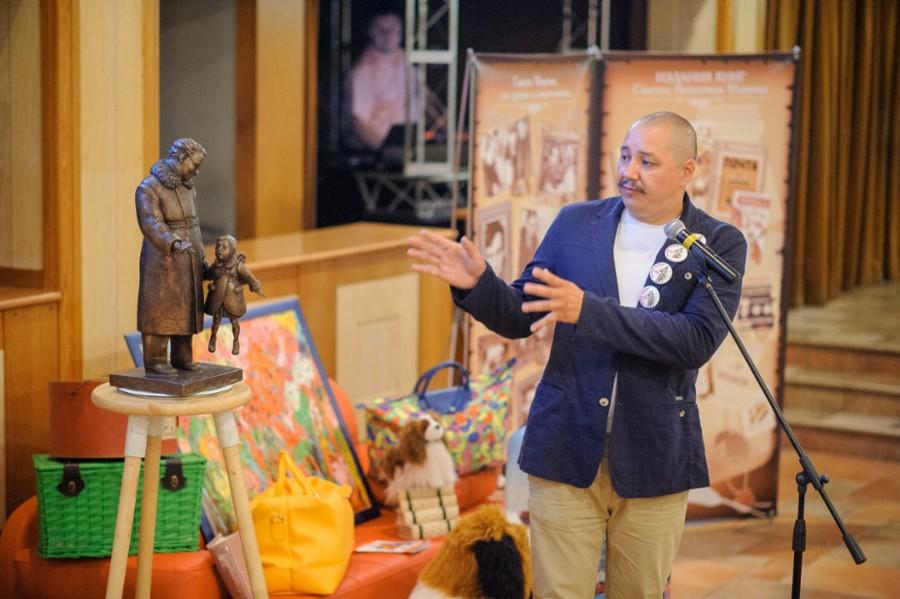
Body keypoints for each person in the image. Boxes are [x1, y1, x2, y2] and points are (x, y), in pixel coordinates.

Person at [408, 111, 747, 598]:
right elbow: (520, 314)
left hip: (654, 455)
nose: (629, 171)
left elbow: (694, 341)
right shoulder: (576, 223)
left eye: (647, 162)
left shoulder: (717, 244)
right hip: (565, 445)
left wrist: (588, 310)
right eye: (625, 157)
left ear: (687, 171)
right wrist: (479, 284)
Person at [136, 138, 208, 376]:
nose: (196, 171)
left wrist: (201, 254)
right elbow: (151, 224)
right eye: (194, 165)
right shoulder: (149, 188)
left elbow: (195, 225)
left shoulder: (188, 188)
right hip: (162, 260)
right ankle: (155, 359)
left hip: (189, 257)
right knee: (160, 308)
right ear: (181, 158)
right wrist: (173, 242)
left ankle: (182, 356)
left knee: (185, 308)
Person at [346, 12, 416, 150]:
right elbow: (358, 123)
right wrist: (385, 151)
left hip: (412, 148)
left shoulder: (409, 66)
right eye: (381, 29)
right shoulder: (363, 72)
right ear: (370, 32)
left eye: (393, 28)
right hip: (380, 149)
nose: (387, 34)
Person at [204, 235, 265, 355]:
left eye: (224, 247)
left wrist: (257, 288)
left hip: (232, 298)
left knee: (234, 321)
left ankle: (236, 341)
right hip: (217, 297)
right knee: (216, 321)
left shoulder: (238, 266)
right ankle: (213, 337)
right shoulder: (216, 265)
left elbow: (250, 278)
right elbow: (207, 275)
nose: (219, 249)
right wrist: (202, 269)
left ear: (232, 250)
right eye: (218, 247)